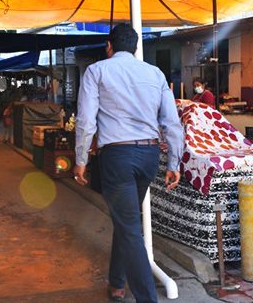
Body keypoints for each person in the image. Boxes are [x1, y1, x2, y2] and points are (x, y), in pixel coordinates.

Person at [73, 23, 184, 303]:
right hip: (148, 156)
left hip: (117, 157)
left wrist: (81, 159)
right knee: (127, 220)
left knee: (130, 227)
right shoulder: (155, 73)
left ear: (109, 46)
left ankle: (147, 298)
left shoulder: (96, 71)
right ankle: (117, 283)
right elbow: (171, 123)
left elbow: (86, 121)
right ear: (135, 47)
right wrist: (174, 162)